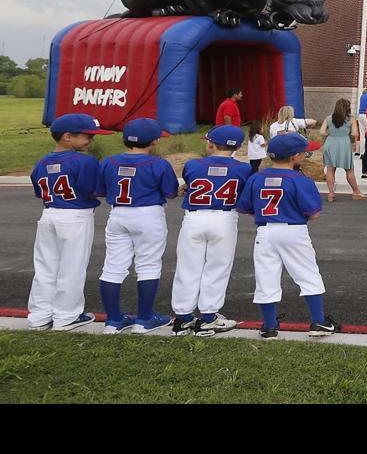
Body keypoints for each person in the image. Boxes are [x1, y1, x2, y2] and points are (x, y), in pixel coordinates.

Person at [243, 132, 340, 339]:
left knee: (266, 277)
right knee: (307, 274)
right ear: (294, 156)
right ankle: (318, 321)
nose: (306, 155)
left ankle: (269, 326)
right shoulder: (299, 180)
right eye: (303, 153)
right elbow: (314, 213)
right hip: (293, 230)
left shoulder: (256, 177)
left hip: (265, 231)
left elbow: (247, 207)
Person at [27, 115, 113, 331]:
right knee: (72, 268)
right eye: (87, 136)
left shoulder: (42, 162)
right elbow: (95, 190)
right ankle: (67, 316)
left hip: (49, 215)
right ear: (67, 136)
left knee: (46, 267)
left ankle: (39, 316)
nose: (91, 141)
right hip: (76, 216)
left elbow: (40, 192)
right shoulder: (86, 161)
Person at [95, 117, 179, 333]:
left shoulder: (108, 161)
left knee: (113, 267)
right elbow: (170, 193)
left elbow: (100, 191)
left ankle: (113, 321)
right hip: (148, 215)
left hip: (118, 214)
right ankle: (144, 319)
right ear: (154, 141)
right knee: (148, 265)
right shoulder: (159, 164)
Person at [171, 126, 254, 336]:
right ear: (237, 146)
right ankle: (208, 317)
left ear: (210, 143)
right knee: (217, 268)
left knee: (187, 267)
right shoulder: (243, 169)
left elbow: (192, 182)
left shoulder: (192, 165)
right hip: (224, 219)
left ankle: (183, 318)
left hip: (194, 218)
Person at [321, 99, 367, 202]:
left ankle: (331, 193)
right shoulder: (351, 119)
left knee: (330, 169)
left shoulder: (329, 118)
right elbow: (354, 134)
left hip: (330, 143)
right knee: (349, 169)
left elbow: (322, 132)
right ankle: (356, 192)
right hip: (344, 144)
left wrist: (331, 133)